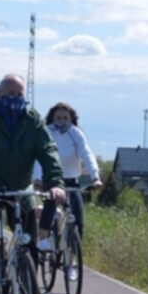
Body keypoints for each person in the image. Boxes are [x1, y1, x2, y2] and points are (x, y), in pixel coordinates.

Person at [0, 74, 66, 287]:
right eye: (10, 94)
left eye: (20, 94)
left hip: (21, 185)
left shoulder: (32, 118)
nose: (15, 98)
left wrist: (55, 183)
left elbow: (48, 150)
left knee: (30, 239)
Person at [34, 103, 103, 264]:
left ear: (71, 119)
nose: (62, 121)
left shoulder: (75, 133)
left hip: (72, 181)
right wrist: (38, 179)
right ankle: (43, 238)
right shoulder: (47, 132)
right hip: (51, 180)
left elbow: (87, 154)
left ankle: (71, 260)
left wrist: (95, 177)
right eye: (58, 117)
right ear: (52, 118)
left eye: (65, 117)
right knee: (50, 207)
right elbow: (39, 157)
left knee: (78, 220)